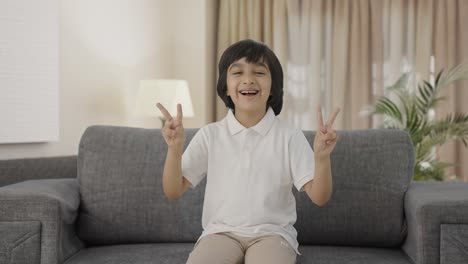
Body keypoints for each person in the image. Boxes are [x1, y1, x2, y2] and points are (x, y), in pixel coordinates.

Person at [156, 39, 340, 264]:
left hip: (273, 234)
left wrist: (322, 158)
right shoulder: (210, 135)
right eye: (238, 72)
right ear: (225, 86)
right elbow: (173, 190)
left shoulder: (289, 136)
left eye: (259, 72)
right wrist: (174, 150)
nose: (248, 79)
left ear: (273, 86)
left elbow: (320, 197)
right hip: (219, 233)